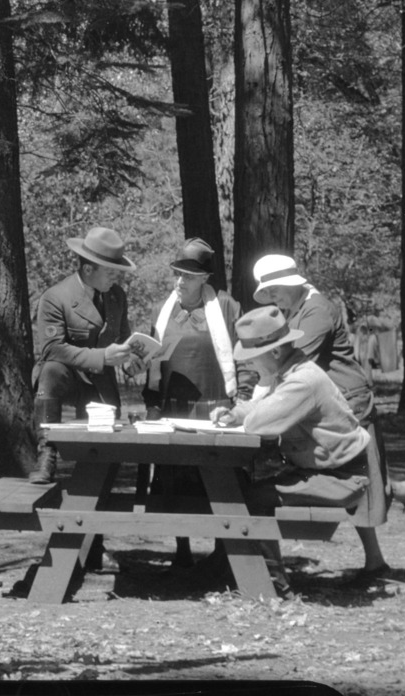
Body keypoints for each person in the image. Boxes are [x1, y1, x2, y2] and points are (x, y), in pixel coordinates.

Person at [250, 253, 405, 575]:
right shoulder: (298, 310)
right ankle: (397, 504)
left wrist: (260, 404)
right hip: (328, 407)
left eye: (275, 291)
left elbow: (291, 365)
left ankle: (377, 559)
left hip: (350, 403)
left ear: (292, 284)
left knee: (362, 486)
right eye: (268, 293)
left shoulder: (316, 310)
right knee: (363, 485)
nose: (272, 298)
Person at [211, 306, 379, 593]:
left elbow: (261, 421)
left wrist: (245, 417)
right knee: (242, 487)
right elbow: (265, 407)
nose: (250, 365)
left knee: (250, 495)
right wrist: (235, 414)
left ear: (274, 352)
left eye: (252, 358)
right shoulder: (291, 371)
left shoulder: (302, 381)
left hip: (342, 477)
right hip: (329, 469)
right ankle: (248, 573)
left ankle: (275, 586)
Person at [141, 238, 253, 566]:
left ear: (204, 278)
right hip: (173, 409)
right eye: (176, 274)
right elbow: (152, 361)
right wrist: (152, 402)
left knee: (221, 480)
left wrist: (242, 400)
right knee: (174, 482)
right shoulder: (160, 312)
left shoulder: (227, 307)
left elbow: (246, 358)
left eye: (187, 276)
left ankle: (223, 551)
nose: (179, 281)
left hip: (217, 408)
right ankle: (182, 550)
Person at [29, 225, 139, 485]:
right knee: (50, 370)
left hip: (101, 383)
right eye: (111, 272)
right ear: (88, 269)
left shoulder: (116, 296)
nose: (116, 278)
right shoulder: (56, 297)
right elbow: (52, 349)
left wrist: (132, 360)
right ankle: (46, 453)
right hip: (68, 379)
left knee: (102, 464)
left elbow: (122, 338)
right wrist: (102, 357)